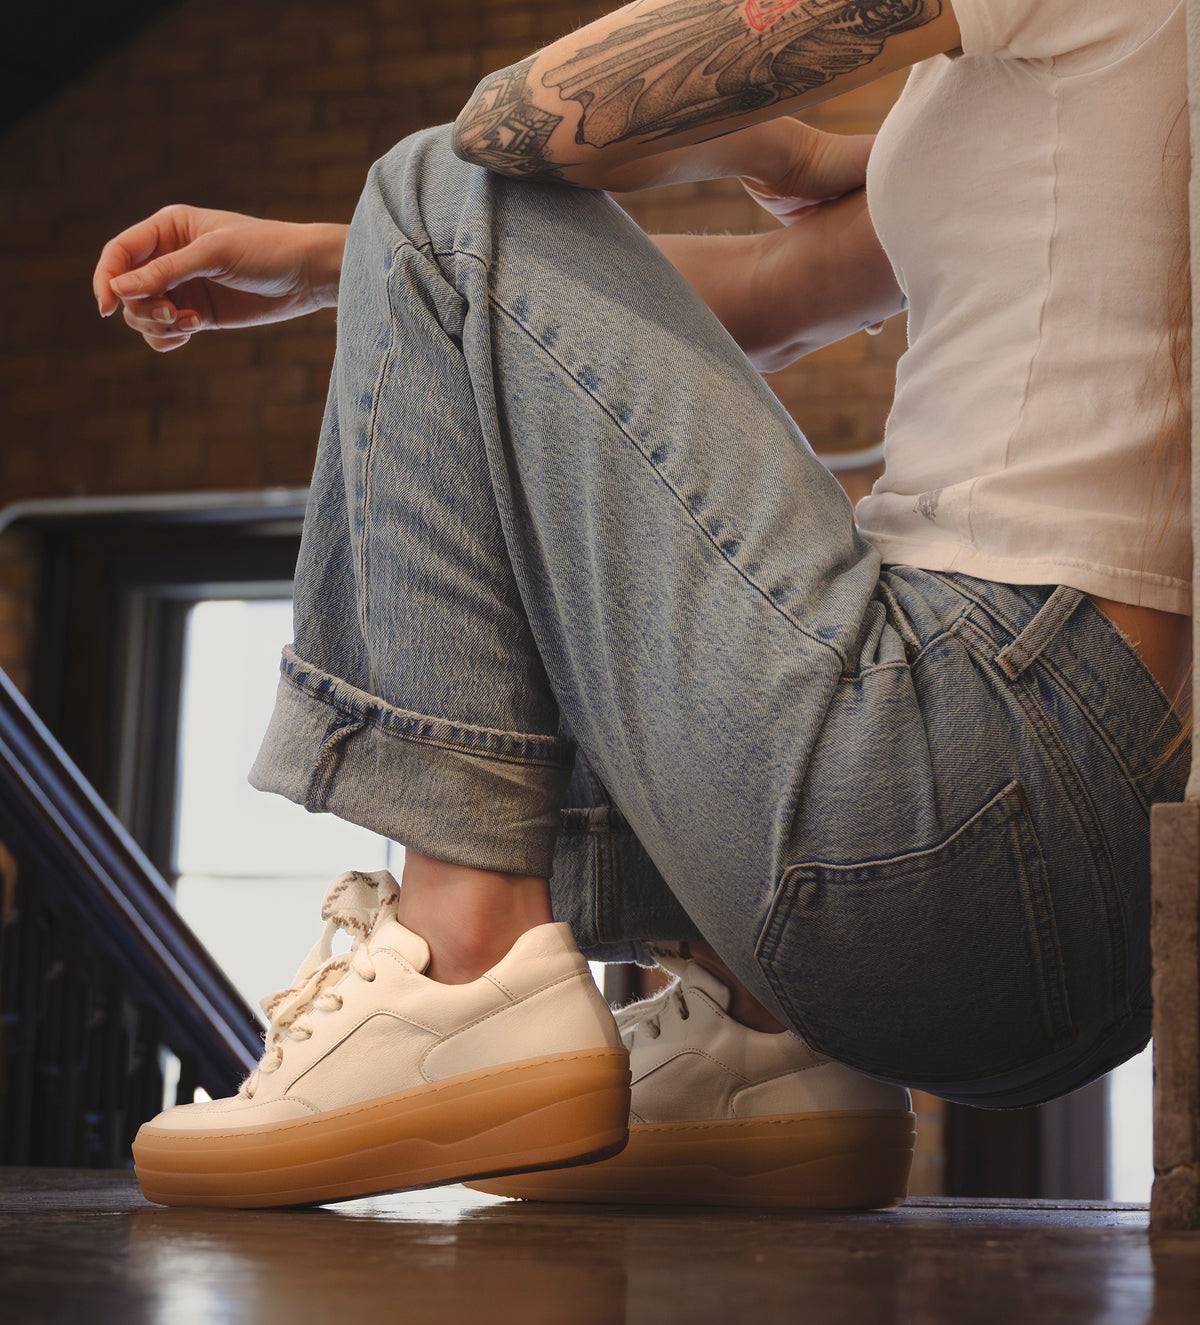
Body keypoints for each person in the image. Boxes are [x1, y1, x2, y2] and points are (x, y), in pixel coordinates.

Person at [93, 0, 1189, 1210]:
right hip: (1107, 897)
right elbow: (774, 290)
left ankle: (460, 960)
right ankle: (769, 1033)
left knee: (431, 178)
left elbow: (516, 125)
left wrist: (774, 141)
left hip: (957, 782)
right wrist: (337, 265)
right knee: (432, 222)